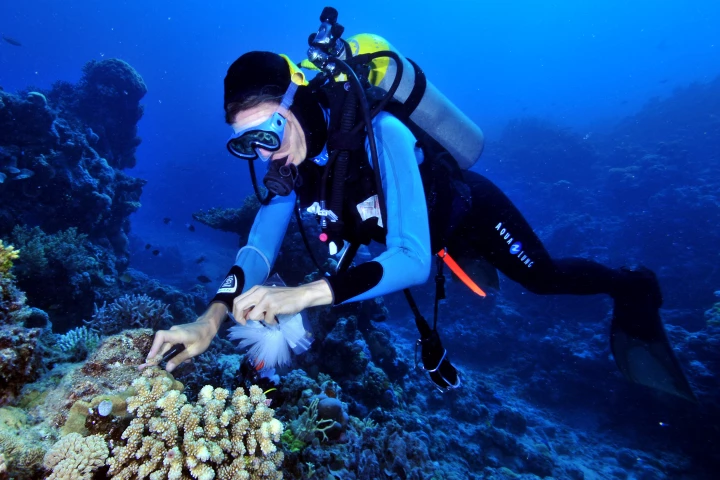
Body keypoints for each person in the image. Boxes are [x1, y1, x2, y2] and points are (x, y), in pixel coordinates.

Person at [144, 43, 694, 401]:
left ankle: (633, 286)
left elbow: (409, 261)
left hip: (467, 217)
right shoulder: (294, 168)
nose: (265, 155)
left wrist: (299, 295)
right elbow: (257, 251)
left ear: (298, 104)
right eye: (246, 144)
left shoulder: (383, 132)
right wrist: (209, 322)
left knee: (543, 278)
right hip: (411, 235)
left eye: (268, 131)